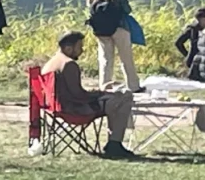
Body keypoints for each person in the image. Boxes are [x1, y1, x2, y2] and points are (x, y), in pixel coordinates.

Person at [41, 31, 136, 160]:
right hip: (75, 110)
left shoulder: (49, 64)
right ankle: (115, 143)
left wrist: (98, 92)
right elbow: (79, 95)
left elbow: (73, 92)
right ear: (68, 48)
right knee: (124, 98)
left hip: (57, 108)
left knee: (114, 100)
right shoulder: (69, 64)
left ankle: (114, 142)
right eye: (79, 47)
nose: (82, 50)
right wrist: (99, 94)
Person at [86, 0, 141, 91]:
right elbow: (127, 9)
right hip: (119, 27)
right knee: (126, 58)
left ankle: (104, 86)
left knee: (105, 59)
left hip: (100, 30)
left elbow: (89, 5)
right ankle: (133, 86)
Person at [175, 8, 205, 73]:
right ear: (200, 19)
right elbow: (178, 43)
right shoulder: (192, 29)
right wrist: (187, 55)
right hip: (193, 60)